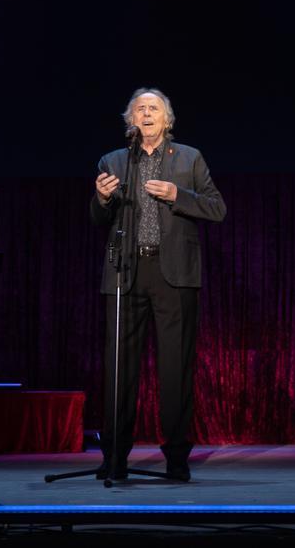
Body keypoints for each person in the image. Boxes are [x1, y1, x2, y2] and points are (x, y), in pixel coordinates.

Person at [91, 88, 226, 481]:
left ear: (166, 119)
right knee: (119, 371)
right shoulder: (114, 160)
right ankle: (114, 458)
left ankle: (177, 460)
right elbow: (99, 220)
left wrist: (177, 195)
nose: (146, 114)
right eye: (140, 109)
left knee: (175, 370)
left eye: (153, 109)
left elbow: (217, 208)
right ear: (129, 120)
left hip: (175, 276)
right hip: (124, 273)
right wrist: (101, 199)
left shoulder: (189, 157)